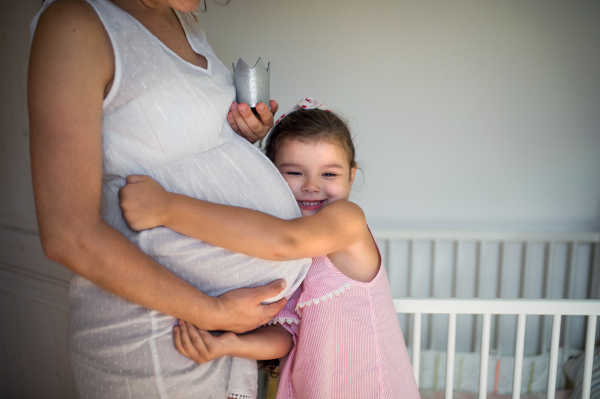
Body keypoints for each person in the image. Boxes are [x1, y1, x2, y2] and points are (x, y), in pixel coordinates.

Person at [28, 0, 311, 397]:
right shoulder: (74, 22)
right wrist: (214, 312)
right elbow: (68, 234)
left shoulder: (185, 20)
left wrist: (240, 138)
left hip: (226, 330)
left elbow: (183, 149)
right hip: (157, 331)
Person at [119, 98, 421, 399]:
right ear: (269, 177)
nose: (311, 186)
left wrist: (166, 208)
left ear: (351, 177)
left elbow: (284, 241)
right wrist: (228, 344)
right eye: (294, 173)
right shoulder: (290, 261)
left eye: (329, 174)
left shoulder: (348, 221)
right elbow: (285, 337)